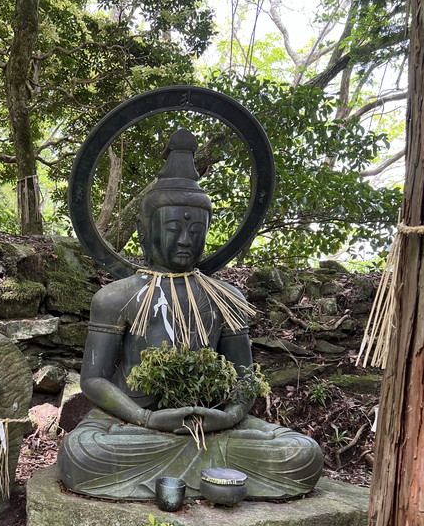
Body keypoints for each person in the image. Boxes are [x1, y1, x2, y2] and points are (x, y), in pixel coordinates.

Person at [58, 129, 322, 500]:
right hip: (133, 424)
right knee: (84, 452)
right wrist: (146, 418)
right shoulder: (117, 296)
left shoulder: (225, 297)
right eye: (173, 227)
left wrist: (229, 415)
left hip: (213, 423)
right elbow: (94, 381)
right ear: (145, 231)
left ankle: (194, 469)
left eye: (197, 229)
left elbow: (244, 378)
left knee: (302, 454)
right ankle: (212, 473)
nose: (186, 240)